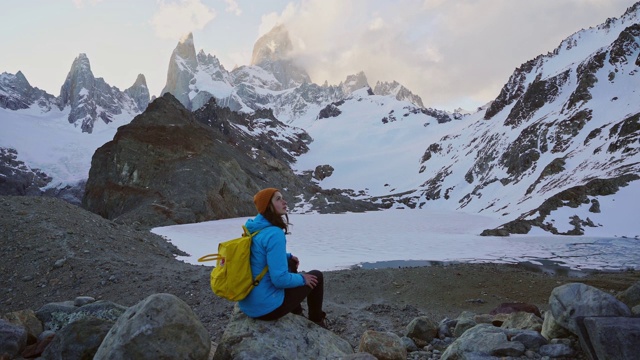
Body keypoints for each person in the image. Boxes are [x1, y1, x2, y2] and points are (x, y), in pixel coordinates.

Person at [238, 188, 327, 328]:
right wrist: (303, 278)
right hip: (266, 309)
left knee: (290, 262)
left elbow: (258, 255)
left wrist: (288, 257)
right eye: (278, 199)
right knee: (317, 276)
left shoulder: (254, 228)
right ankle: (317, 323)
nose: (284, 202)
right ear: (268, 205)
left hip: (248, 305)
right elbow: (279, 280)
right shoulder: (274, 234)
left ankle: (296, 311)